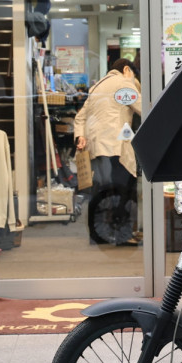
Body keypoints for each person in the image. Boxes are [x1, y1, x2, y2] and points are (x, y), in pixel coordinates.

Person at [73, 58, 142, 246]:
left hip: (96, 146)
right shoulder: (122, 83)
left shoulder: (96, 88)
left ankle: (98, 236)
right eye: (133, 77)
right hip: (114, 145)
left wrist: (80, 137)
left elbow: (80, 117)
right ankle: (122, 235)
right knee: (124, 190)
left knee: (100, 191)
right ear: (126, 70)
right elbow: (142, 108)